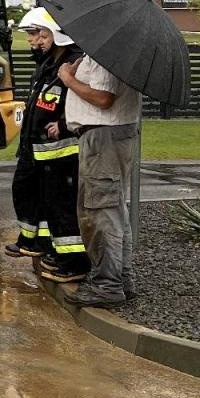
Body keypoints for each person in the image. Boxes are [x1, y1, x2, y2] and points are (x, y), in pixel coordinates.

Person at [58, 48, 141, 306]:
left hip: (103, 137)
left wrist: (68, 79)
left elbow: (104, 98)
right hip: (108, 135)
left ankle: (108, 285)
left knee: (102, 211)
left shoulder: (107, 53)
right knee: (113, 208)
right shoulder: (107, 50)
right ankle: (120, 279)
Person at [8, 8, 87, 281]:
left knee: (63, 208)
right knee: (49, 205)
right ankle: (54, 251)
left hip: (63, 152)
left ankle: (74, 263)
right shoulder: (50, 64)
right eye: (35, 35)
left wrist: (63, 125)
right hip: (44, 151)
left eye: (40, 35)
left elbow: (80, 102)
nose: (36, 41)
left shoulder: (74, 63)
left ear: (56, 34)